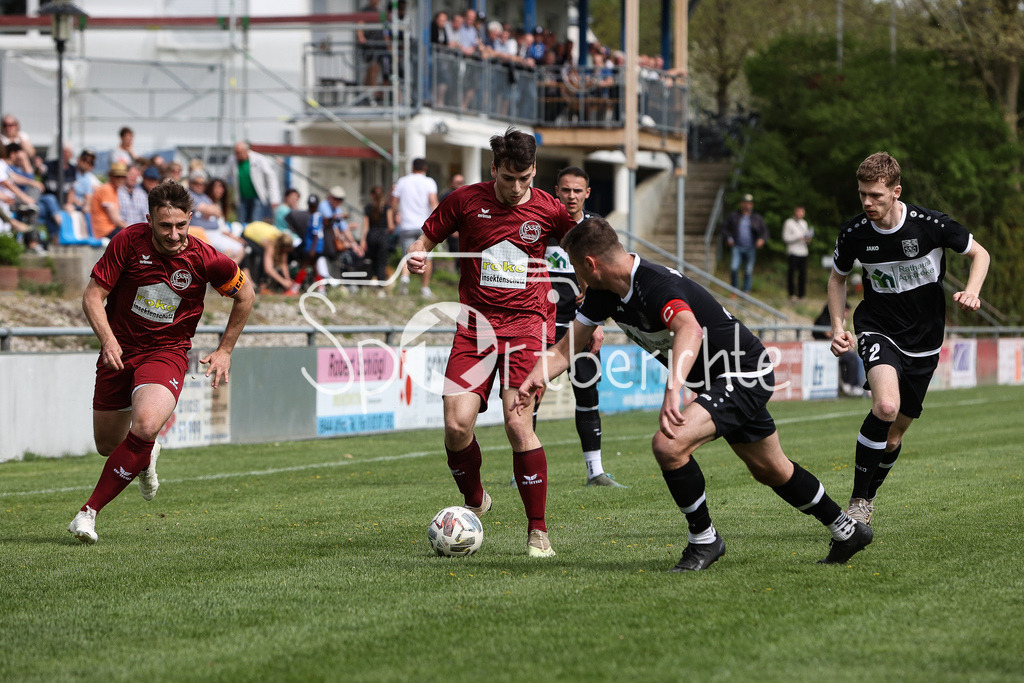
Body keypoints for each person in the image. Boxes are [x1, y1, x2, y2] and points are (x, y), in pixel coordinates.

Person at [513, 217, 873, 570]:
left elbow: (690, 328)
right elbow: (566, 348)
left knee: (669, 444)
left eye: (576, 266)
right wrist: (534, 378)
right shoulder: (604, 293)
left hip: (744, 371)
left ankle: (705, 540)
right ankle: (846, 530)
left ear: (591, 264)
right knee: (772, 469)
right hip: (719, 381)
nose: (576, 275)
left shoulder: (652, 283)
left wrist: (674, 390)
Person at [407, 127, 577, 557]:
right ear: (494, 169)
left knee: (517, 422)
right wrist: (417, 253)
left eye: (526, 179)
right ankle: (475, 501)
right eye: (508, 178)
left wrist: (590, 304)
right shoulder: (465, 200)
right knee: (456, 424)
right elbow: (426, 237)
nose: (517, 188)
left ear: (534, 171)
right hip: (476, 327)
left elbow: (581, 250)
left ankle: (537, 530)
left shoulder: (549, 209)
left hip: (527, 325)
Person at [68, 179, 254, 544]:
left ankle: (87, 514)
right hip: (119, 350)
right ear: (150, 219)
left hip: (166, 352)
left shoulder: (205, 257)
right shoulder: (127, 241)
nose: (173, 234)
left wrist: (225, 350)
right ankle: (146, 452)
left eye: (181, 225)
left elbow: (245, 296)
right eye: (165, 225)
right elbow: (93, 295)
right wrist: (107, 340)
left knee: (147, 423)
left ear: (190, 218)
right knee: (108, 444)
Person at [828, 152, 990, 527]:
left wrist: (972, 291)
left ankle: (868, 497)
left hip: (926, 339)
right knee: (885, 406)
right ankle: (857, 502)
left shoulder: (930, 225)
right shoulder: (854, 233)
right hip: (878, 328)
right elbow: (837, 278)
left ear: (896, 191)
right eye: (862, 194)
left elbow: (979, 254)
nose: (867, 202)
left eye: (876, 195)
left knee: (894, 437)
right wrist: (839, 327)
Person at [538, 165, 622, 487]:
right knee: (532, 391)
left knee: (588, 393)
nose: (570, 196)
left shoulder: (596, 229)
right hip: (542, 323)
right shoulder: (543, 226)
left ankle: (595, 472)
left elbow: (607, 279)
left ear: (587, 193)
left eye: (577, 191)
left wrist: (598, 322)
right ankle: (523, 473)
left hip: (582, 324)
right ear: (555, 191)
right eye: (565, 190)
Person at [392, 158, 438, 297]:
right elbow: (433, 202)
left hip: (406, 223)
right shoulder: (429, 182)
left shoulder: (402, 181)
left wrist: (396, 214)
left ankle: (405, 278)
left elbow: (394, 202)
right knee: (427, 256)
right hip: (425, 225)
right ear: (425, 168)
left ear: (412, 167)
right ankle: (425, 288)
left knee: (408, 254)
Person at [720, 193, 768, 294]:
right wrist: (728, 238)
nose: (747, 205)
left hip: (751, 247)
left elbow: (765, 231)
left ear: (752, 205)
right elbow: (724, 228)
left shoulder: (756, 217)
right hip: (737, 246)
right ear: (742, 204)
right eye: (745, 203)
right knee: (734, 268)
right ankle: (734, 290)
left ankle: (746, 291)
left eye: (749, 203)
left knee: (748, 270)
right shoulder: (734, 216)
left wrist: (761, 239)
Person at [813, 302, 863, 396]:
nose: (846, 314)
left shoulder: (840, 322)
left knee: (858, 358)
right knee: (851, 357)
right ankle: (848, 384)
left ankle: (855, 385)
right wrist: (838, 332)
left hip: (835, 349)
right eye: (845, 311)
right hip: (825, 350)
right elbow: (827, 334)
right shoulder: (824, 320)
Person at [231, 142, 281, 223]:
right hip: (242, 198)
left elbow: (271, 178)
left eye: (239, 153)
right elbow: (224, 175)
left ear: (247, 151)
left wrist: (274, 198)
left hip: (257, 197)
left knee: (255, 223)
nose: (237, 155)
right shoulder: (232, 160)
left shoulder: (259, 159)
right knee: (242, 223)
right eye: (235, 153)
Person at [360, 185, 394, 295]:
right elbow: (390, 226)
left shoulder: (368, 208)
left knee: (372, 262)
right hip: (382, 237)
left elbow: (365, 226)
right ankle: (380, 288)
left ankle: (369, 285)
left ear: (371, 195)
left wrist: (363, 241)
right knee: (382, 263)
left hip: (371, 237)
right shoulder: (387, 208)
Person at [90, 161, 129, 240]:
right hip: (104, 231)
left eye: (123, 176)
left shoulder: (113, 190)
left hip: (109, 229)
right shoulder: (107, 190)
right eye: (117, 176)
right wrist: (132, 228)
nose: (120, 179)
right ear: (111, 176)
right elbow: (115, 219)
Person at [782, 205, 812, 301]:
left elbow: (806, 235)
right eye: (799, 212)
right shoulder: (789, 223)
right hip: (793, 251)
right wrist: (797, 238)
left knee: (802, 274)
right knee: (792, 274)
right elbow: (785, 238)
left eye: (802, 212)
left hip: (803, 252)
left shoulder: (804, 223)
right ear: (795, 212)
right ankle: (792, 294)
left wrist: (808, 239)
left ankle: (802, 295)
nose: (800, 214)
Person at [117, 162, 149, 227]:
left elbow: (146, 215)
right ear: (125, 175)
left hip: (140, 231)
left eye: (136, 175)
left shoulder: (142, 194)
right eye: (131, 174)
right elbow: (116, 217)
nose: (133, 177)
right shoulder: (118, 192)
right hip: (122, 230)